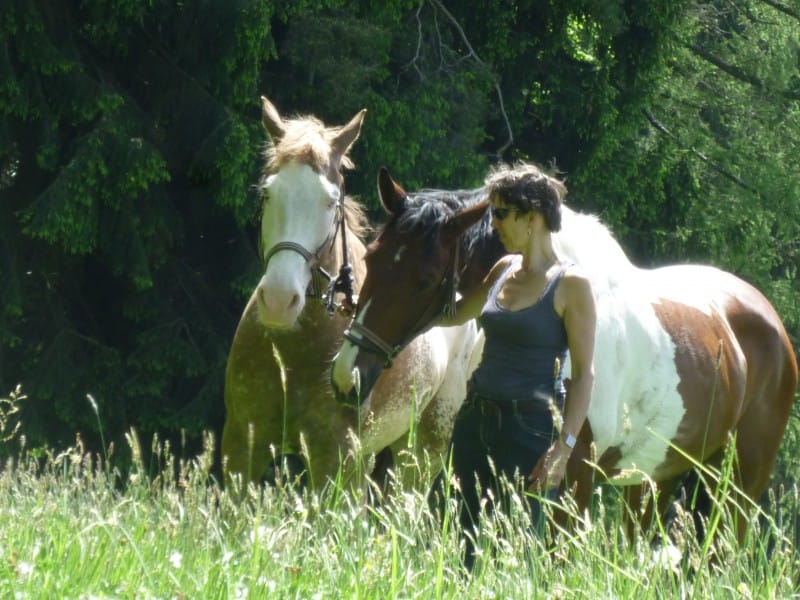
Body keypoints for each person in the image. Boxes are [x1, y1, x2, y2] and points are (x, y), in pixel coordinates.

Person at [438, 162, 596, 568]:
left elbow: (583, 376)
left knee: (518, 559)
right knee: (459, 549)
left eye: (501, 213)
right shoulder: (502, 270)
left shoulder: (571, 284)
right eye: (493, 214)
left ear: (533, 217)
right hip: (474, 422)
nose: (494, 225)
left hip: (530, 432)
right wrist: (387, 302)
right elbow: (453, 315)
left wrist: (565, 448)